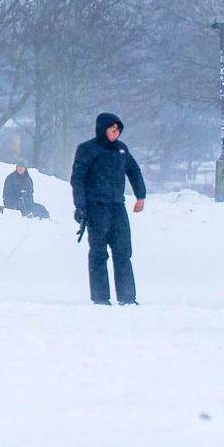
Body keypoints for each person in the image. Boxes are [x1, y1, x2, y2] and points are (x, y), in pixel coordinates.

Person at [71, 112, 146, 306]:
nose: (115, 133)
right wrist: (80, 206)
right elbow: (77, 179)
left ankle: (127, 297)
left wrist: (141, 195)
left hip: (117, 207)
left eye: (118, 130)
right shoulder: (87, 149)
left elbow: (134, 170)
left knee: (123, 252)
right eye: (112, 130)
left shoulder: (121, 150)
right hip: (96, 208)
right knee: (98, 253)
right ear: (102, 129)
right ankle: (101, 297)